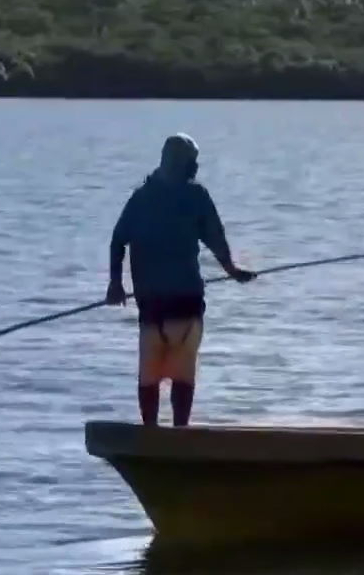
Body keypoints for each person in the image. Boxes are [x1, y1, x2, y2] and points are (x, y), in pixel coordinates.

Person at [107, 133, 255, 427]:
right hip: (183, 305)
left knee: (150, 376)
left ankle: (151, 434)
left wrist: (116, 284)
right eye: (192, 163)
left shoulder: (141, 198)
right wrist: (231, 270)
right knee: (182, 375)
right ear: (182, 163)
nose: (195, 168)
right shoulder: (194, 196)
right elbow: (216, 238)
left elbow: (118, 241)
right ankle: (178, 433)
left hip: (154, 308)